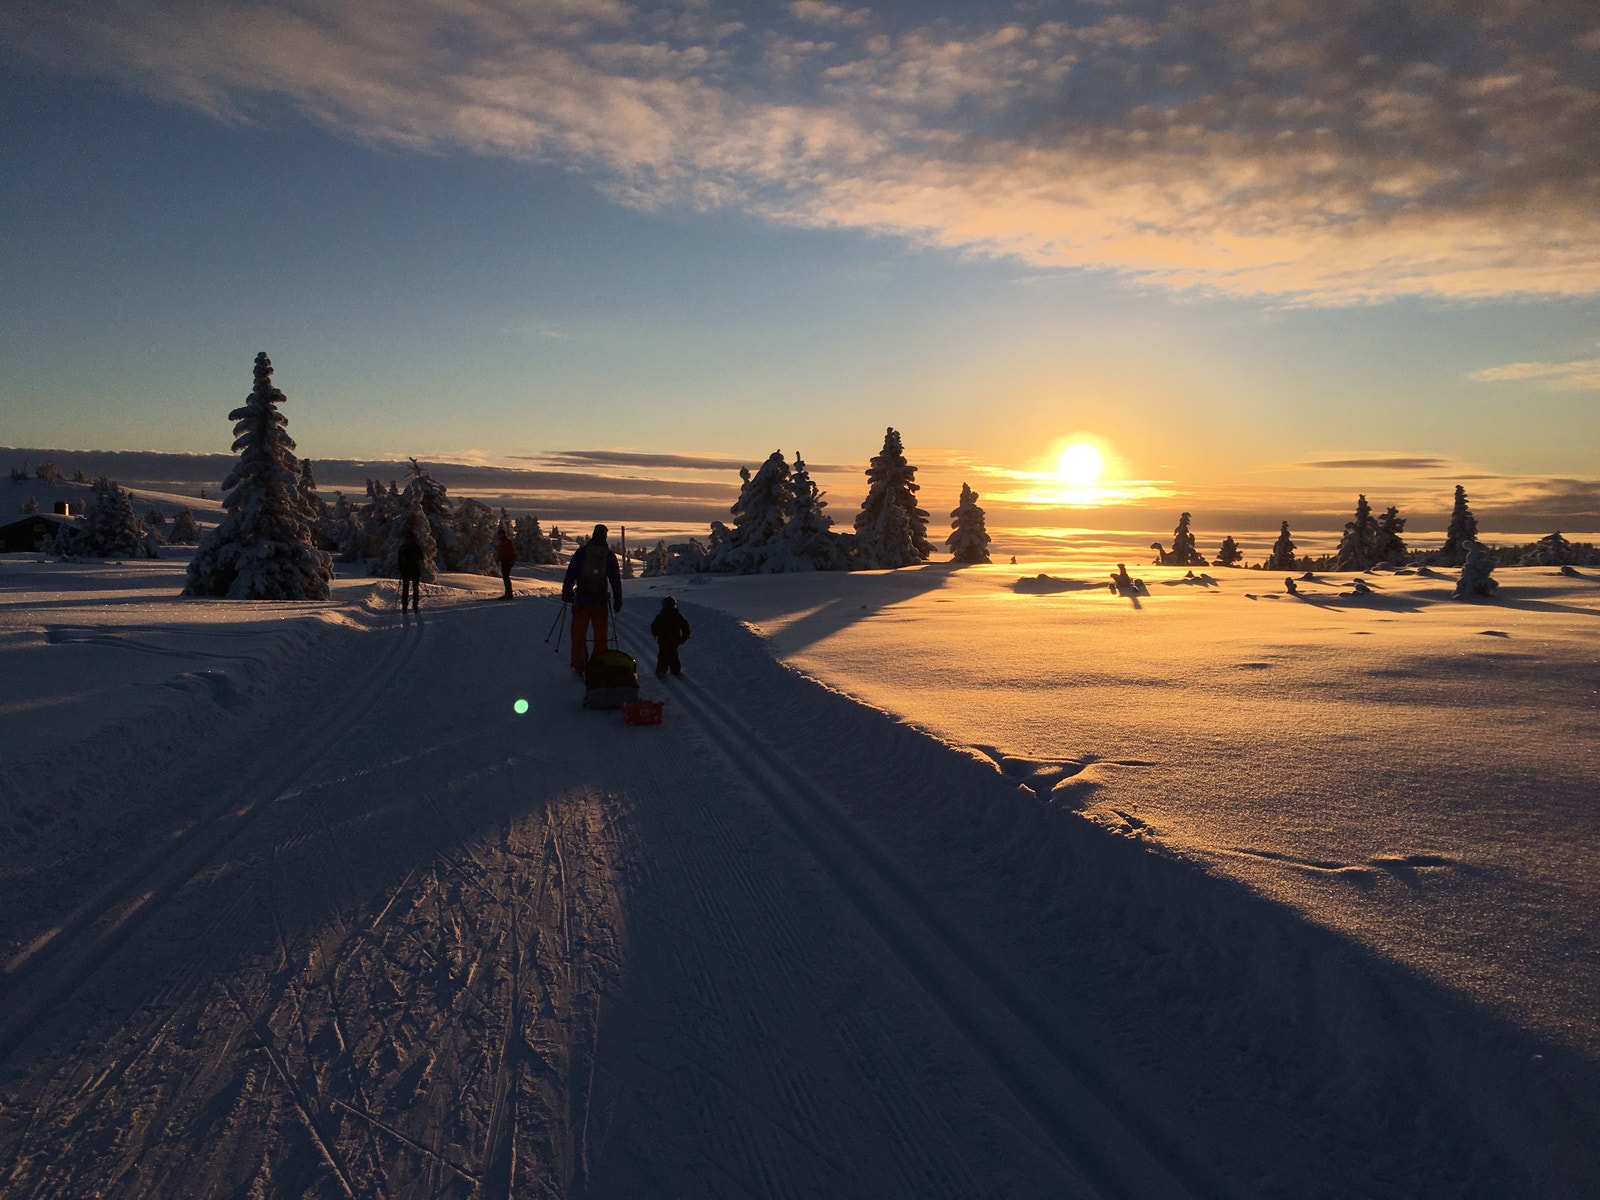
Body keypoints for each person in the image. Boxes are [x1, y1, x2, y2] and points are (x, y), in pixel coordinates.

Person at [562, 523, 623, 673]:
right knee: (601, 636)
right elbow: (615, 579)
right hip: (600, 601)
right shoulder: (608, 555)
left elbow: (571, 574)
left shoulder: (582, 553)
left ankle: (579, 665)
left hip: (582, 601)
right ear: (605, 536)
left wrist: (566, 592)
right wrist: (618, 598)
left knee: (578, 634)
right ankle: (599, 664)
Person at [649, 596, 691, 679]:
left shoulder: (661, 616)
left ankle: (661, 671)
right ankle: (675, 670)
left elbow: (654, 626)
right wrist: (684, 637)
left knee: (663, 654)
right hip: (675, 639)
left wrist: (655, 633)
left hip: (663, 639)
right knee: (673, 654)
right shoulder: (678, 615)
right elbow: (686, 627)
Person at [397, 530, 424, 612]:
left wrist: (420, 567)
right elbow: (399, 560)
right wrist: (401, 568)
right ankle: (405, 605)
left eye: (410, 538)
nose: (408, 540)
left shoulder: (416, 547)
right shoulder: (404, 547)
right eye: (408, 538)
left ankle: (415, 605)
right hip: (406, 570)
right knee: (406, 588)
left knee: (415, 588)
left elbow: (421, 558)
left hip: (414, 570)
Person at [495, 525, 516, 599]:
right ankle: (508, 593)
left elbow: (510, 552)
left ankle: (509, 593)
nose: (500, 536)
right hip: (504, 561)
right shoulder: (503, 542)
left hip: (507, 561)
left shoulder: (506, 542)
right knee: (505, 577)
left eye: (501, 534)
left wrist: (511, 560)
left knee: (506, 577)